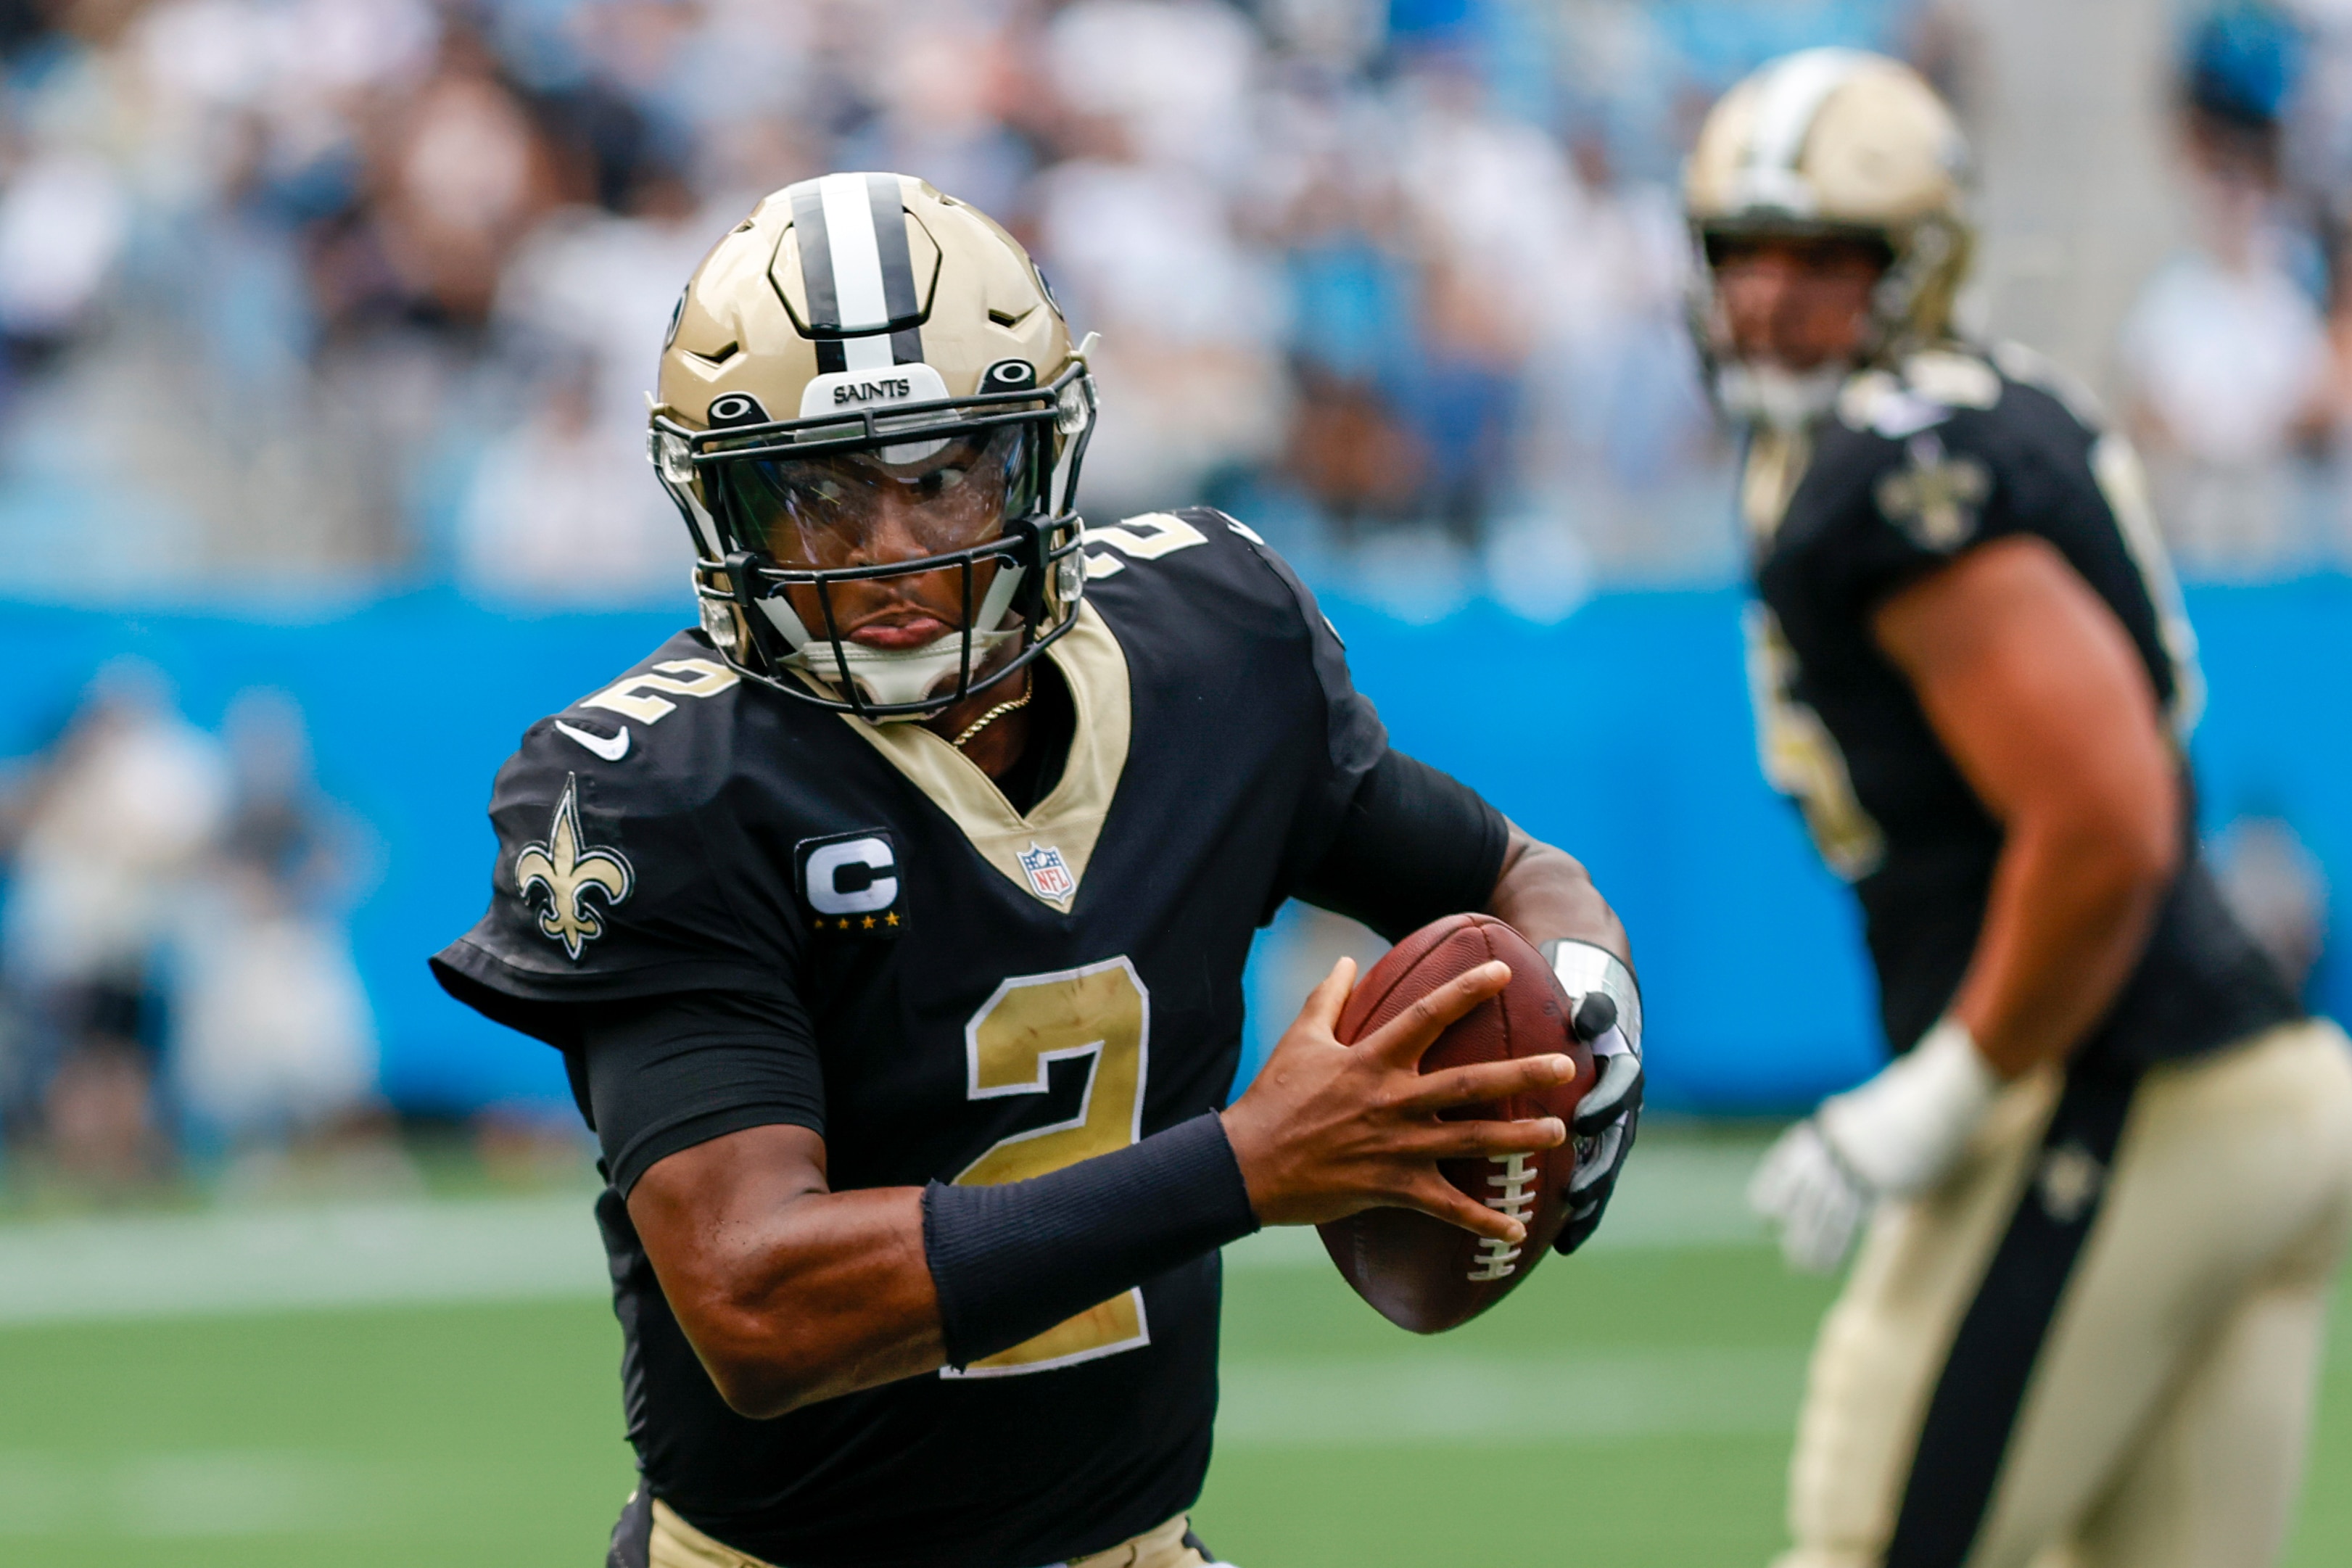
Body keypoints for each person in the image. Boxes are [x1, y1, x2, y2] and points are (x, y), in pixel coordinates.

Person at [432, 172, 1643, 1568]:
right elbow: (756, 1300)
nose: (891, 552)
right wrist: (1250, 1164)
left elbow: (1509, 871)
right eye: (816, 495)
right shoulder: (655, 787)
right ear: (725, 512)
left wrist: (1584, 986)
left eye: (944, 474)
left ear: (1033, 456)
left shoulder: (1214, 644)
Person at [1688, 49, 2352, 1568]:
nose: (1771, 296)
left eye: (1825, 256)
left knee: (1863, 1544)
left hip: (2121, 1088)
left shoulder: (1894, 472)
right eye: (1744, 251)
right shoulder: (1932, 423)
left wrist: (1953, 1082)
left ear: (1915, 265)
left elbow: (2106, 817)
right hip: (2234, 1081)